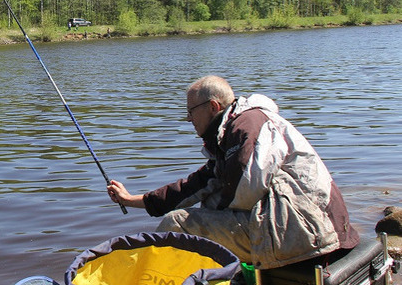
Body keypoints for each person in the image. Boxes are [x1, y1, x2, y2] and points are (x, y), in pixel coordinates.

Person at [107, 75, 359, 269]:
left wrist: (207, 214)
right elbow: (196, 185)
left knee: (177, 223)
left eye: (191, 111)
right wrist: (132, 200)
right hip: (300, 224)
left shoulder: (246, 126)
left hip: (309, 230)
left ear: (213, 106)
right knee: (207, 206)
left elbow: (246, 188)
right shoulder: (231, 133)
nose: (188, 119)